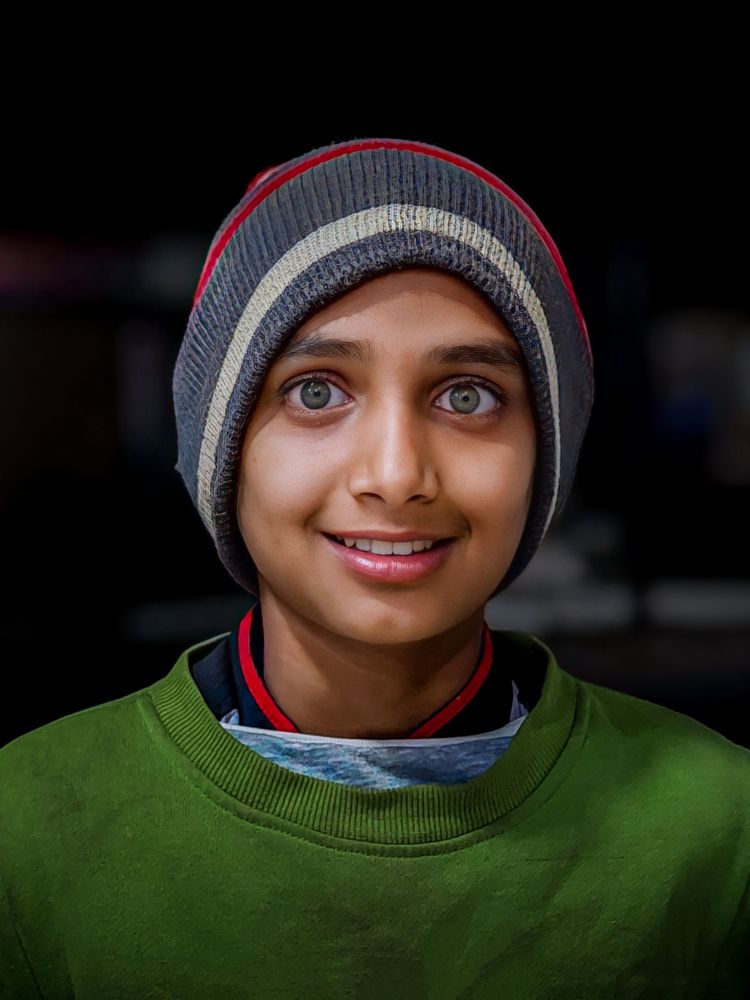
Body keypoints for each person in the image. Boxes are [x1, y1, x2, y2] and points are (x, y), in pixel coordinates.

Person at [1, 137, 748, 998]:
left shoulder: (718, 833)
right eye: (317, 390)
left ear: (546, 458)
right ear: (222, 448)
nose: (395, 475)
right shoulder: (30, 827)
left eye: (467, 395)